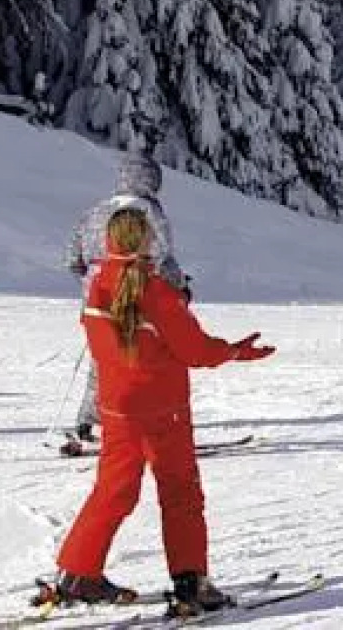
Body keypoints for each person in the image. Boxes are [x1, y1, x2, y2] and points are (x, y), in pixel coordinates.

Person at [47, 207, 274, 619]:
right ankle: (191, 583)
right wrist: (236, 350)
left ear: (110, 241)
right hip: (162, 409)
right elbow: (195, 350)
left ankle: (78, 571)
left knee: (113, 490)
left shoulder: (97, 283)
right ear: (148, 241)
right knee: (180, 492)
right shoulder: (155, 291)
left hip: (117, 407)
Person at [66, 151, 188, 444]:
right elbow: (162, 258)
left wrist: (89, 281)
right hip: (137, 296)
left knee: (104, 361)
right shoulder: (149, 213)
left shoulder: (95, 211)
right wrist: (179, 287)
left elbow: (73, 257)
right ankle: (142, 419)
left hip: (96, 299)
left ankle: (91, 420)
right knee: (142, 359)